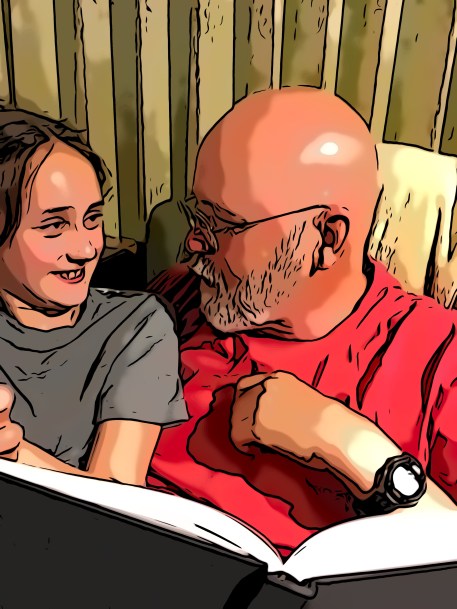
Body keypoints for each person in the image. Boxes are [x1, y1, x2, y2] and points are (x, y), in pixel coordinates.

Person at [147, 86, 457, 556]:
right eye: (197, 214)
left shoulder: (439, 358)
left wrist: (344, 441)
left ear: (328, 239)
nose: (193, 243)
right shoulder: (176, 296)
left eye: (223, 224)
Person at [0, 109, 187, 485]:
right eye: (54, 225)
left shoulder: (136, 324)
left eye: (93, 219)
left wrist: (16, 454)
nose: (86, 249)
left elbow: (119, 493)